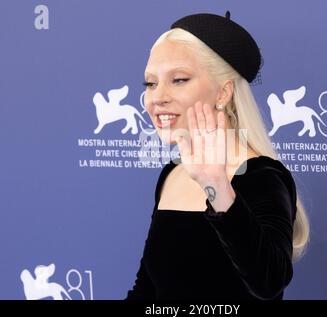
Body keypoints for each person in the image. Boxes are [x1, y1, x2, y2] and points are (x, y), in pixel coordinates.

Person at [126, 11, 309, 300]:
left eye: (179, 80)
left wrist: (217, 186)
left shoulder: (262, 176)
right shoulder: (172, 173)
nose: (156, 97)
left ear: (223, 93)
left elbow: (269, 284)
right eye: (150, 83)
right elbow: (148, 292)